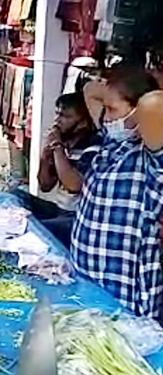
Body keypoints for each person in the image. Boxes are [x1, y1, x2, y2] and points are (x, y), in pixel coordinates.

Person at [72, 63, 163, 318]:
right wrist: (116, 90)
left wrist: (136, 110)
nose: (107, 118)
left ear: (136, 110)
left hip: (124, 300)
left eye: (112, 109)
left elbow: (155, 104)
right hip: (89, 287)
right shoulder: (113, 141)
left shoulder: (152, 159)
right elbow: (90, 89)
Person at [15, 93, 100, 247]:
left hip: (76, 217)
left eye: (66, 116)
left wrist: (58, 148)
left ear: (83, 120)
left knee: (32, 230)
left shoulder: (93, 145)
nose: (58, 121)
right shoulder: (65, 142)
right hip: (59, 210)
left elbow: (74, 185)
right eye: (58, 114)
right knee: (16, 195)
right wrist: (45, 156)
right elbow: (45, 185)